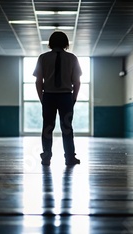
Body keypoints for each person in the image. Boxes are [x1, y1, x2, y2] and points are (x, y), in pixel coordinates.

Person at [33, 31, 82, 166]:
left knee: (47, 127)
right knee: (67, 127)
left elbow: (38, 81)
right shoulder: (72, 58)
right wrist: (73, 99)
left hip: (48, 95)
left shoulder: (43, 58)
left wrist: (42, 98)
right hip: (66, 96)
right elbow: (77, 82)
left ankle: (46, 157)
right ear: (66, 43)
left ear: (50, 43)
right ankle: (70, 157)